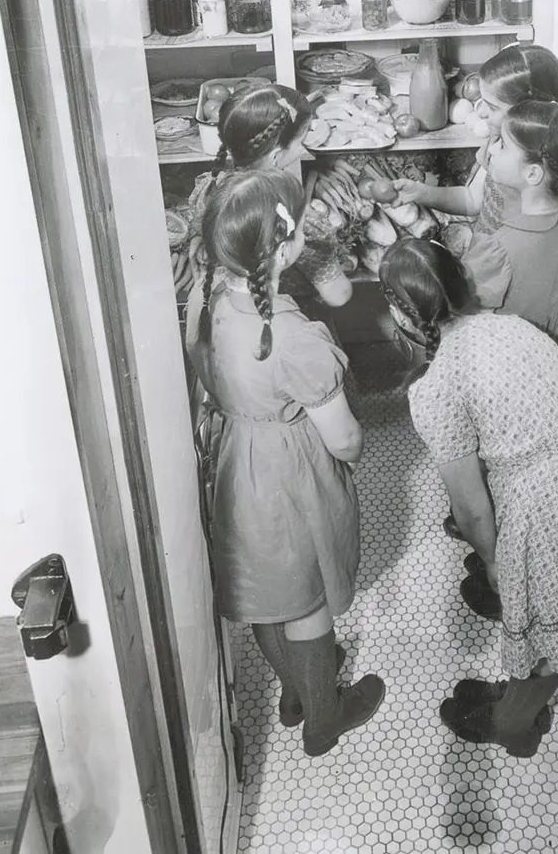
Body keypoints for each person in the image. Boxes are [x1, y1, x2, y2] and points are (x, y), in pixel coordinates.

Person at [379, 239, 558, 758]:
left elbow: (470, 506)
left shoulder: (434, 389)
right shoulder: (512, 324)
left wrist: (496, 562)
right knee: (556, 615)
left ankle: (514, 723)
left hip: (548, 506)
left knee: (547, 633)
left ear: (402, 317)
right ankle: (518, 698)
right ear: (460, 283)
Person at [186, 168, 385, 756]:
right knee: (308, 597)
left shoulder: (207, 294)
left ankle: (297, 690)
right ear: (287, 241)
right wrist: (353, 451)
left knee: (266, 587)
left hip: (237, 458)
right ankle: (325, 716)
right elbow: (344, 438)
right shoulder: (293, 338)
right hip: (287, 468)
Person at [461, 100, 558, 406]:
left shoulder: (496, 249)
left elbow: (468, 329)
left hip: (521, 373)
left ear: (532, 174)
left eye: (501, 145)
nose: (490, 150)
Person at [187, 83, 352, 310]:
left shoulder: (210, 188)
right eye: (300, 142)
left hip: (227, 310)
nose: (301, 149)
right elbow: (338, 296)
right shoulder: (292, 218)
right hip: (280, 319)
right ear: (276, 156)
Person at [390, 43, 558, 237]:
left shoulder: (539, 170)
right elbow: (473, 199)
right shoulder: (495, 143)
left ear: (528, 114)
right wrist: (420, 193)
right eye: (481, 101)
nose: (480, 112)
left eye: (492, 107)